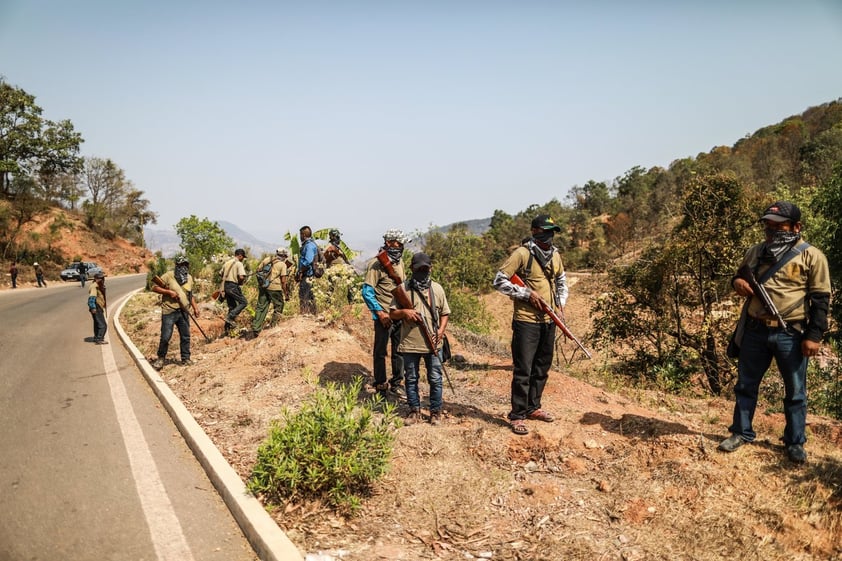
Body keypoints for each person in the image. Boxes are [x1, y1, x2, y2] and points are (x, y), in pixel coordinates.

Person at [718, 201, 830, 464]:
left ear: (796, 227)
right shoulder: (756, 251)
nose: (772, 231)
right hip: (755, 331)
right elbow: (737, 277)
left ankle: (795, 442)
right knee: (745, 386)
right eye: (768, 226)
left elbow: (821, 301)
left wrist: (814, 336)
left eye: (779, 226)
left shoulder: (812, 256)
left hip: (791, 334)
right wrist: (738, 283)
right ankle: (741, 433)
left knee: (795, 392)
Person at [493, 214, 568, 435]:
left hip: (549, 319)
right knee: (523, 369)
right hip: (526, 321)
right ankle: (517, 415)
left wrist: (560, 306)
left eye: (552, 231)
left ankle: (534, 407)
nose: (550, 235)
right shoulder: (522, 254)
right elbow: (499, 281)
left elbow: (562, 280)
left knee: (542, 367)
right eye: (546, 231)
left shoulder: (554, 255)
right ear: (535, 231)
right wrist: (526, 294)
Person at [389, 252, 450, 425]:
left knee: (436, 379)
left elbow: (445, 313)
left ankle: (435, 412)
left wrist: (440, 331)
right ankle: (414, 410)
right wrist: (405, 312)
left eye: (425, 269)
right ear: (411, 269)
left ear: (430, 269)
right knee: (411, 378)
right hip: (410, 344)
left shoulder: (437, 289)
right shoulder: (403, 289)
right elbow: (392, 314)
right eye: (419, 269)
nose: (422, 273)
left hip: (433, 343)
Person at [362, 229, 410, 398]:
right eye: (399, 243)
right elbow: (367, 291)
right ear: (389, 243)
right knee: (380, 351)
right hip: (383, 316)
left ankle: (397, 382)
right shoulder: (377, 264)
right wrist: (380, 313)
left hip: (398, 313)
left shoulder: (399, 262)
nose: (402, 246)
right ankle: (381, 384)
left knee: (399, 351)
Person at [150, 256, 199, 369]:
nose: (184, 267)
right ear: (177, 265)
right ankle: (161, 358)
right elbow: (155, 288)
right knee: (166, 336)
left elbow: (190, 295)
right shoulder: (168, 276)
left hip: (184, 311)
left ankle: (185, 358)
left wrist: (195, 308)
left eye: (186, 265)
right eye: (182, 265)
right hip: (169, 311)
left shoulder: (189, 278)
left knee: (185, 336)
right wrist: (168, 292)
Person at [247, 247, 290, 340]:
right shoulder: (283, 265)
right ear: (283, 255)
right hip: (275, 288)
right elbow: (283, 281)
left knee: (261, 306)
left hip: (263, 286)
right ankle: (273, 326)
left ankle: (256, 328)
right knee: (279, 305)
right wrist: (286, 293)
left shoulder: (267, 259)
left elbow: (258, 270)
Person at [221, 248, 247, 336]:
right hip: (233, 286)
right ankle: (230, 317)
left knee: (232, 306)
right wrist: (240, 282)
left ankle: (227, 330)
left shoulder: (227, 263)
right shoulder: (239, 264)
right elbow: (241, 277)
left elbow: (220, 273)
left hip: (226, 286)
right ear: (240, 256)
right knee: (244, 302)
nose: (243, 259)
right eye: (243, 257)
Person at [296, 226, 319, 314]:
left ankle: (304, 315)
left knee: (304, 296)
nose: (300, 237)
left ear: (304, 235)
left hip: (307, 274)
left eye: (300, 235)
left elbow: (308, 260)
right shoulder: (310, 244)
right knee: (310, 296)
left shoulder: (309, 245)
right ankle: (313, 314)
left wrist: (301, 271)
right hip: (308, 274)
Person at [87, 271, 108, 344]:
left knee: (97, 323)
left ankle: (96, 337)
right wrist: (93, 307)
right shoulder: (94, 286)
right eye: (100, 278)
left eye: (103, 278)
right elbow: (92, 298)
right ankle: (99, 339)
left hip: (98, 306)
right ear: (96, 279)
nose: (102, 280)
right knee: (103, 325)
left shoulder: (99, 286)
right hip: (96, 306)